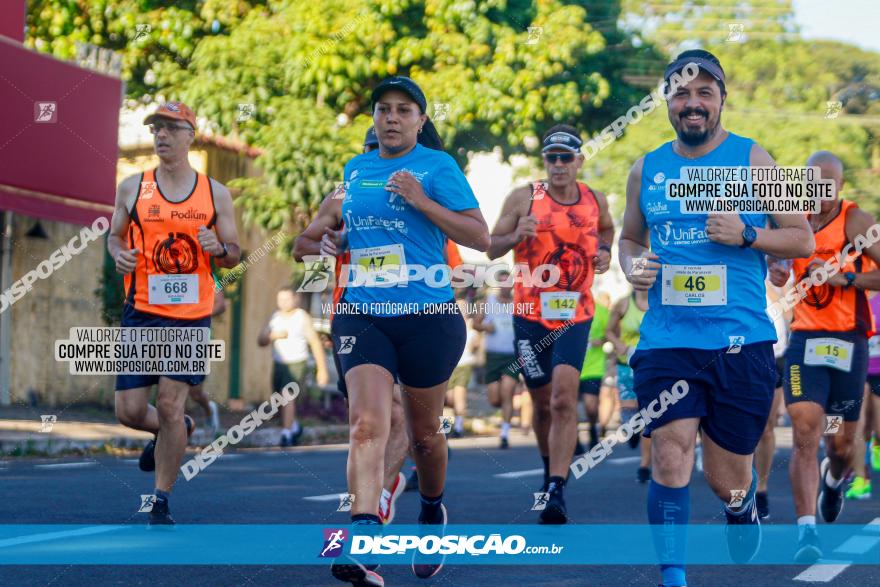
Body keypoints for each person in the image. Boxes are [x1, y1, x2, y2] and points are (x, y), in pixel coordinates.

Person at [619, 50, 814, 586]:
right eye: (682, 93)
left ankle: (741, 503)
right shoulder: (647, 168)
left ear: (722, 99)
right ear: (667, 102)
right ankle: (674, 576)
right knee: (669, 449)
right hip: (667, 339)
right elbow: (630, 237)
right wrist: (635, 267)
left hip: (741, 342)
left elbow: (802, 238)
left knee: (726, 475)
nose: (693, 103)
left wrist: (748, 235)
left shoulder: (755, 160)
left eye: (705, 92)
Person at [303, 76, 489, 585]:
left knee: (426, 438)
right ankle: (363, 542)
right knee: (366, 424)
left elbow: (480, 236)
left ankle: (432, 512)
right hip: (363, 313)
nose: (391, 118)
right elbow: (354, 231)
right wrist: (335, 240)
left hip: (428, 318)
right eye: (383, 109)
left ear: (420, 120)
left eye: (403, 110)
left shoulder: (437, 167)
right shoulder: (356, 169)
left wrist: (421, 200)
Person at [109, 101, 241, 525]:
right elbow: (114, 236)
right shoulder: (133, 187)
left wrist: (217, 248)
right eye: (155, 129)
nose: (161, 136)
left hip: (189, 314)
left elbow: (233, 255)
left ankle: (160, 498)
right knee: (129, 411)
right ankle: (178, 427)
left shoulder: (214, 193)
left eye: (170, 128)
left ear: (190, 135)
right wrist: (118, 255)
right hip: (141, 309)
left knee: (167, 403)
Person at [488, 124, 614, 524]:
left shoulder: (593, 200)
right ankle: (548, 472)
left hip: (576, 314)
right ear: (545, 161)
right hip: (530, 315)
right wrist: (514, 236)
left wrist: (607, 251)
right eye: (552, 157)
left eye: (566, 157)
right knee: (541, 401)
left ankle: (558, 487)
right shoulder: (525, 197)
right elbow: (489, 246)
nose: (559, 165)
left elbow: (608, 229)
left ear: (578, 160)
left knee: (563, 397)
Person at [769, 150, 880, 562]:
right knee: (804, 430)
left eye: (828, 186)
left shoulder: (856, 221)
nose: (819, 194)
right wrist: (777, 269)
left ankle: (835, 480)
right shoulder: (790, 217)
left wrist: (845, 276)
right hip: (805, 339)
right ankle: (806, 533)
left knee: (841, 444)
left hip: (849, 340)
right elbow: (776, 260)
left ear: (841, 187)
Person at [257, 288, 329, 446]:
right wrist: (271, 335)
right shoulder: (274, 317)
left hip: (297, 362)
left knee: (287, 395)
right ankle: (295, 428)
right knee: (279, 400)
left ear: (295, 299)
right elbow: (261, 341)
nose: (283, 303)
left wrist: (322, 370)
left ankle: (286, 433)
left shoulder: (302, 317)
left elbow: (315, 343)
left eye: (287, 299)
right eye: (280, 299)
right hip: (279, 364)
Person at [753, 268, 792, 518]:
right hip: (745, 354)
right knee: (744, 427)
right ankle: (741, 488)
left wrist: (777, 289)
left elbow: (791, 315)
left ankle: (761, 490)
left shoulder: (779, 275)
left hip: (776, 356)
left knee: (767, 427)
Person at [605, 289, 650, 482]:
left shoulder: (661, 300)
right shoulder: (623, 303)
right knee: (631, 415)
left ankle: (644, 467)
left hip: (651, 365)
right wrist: (618, 343)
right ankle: (632, 431)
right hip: (627, 365)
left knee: (648, 414)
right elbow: (608, 330)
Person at [473, 269, 520, 449]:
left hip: (512, 355)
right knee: (495, 399)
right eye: (501, 282)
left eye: (507, 282)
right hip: (493, 356)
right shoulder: (488, 301)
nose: (504, 286)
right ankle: (505, 414)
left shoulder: (518, 302)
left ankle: (505, 433)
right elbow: (476, 323)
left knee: (507, 391)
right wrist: (485, 327)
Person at [187, 282, 226, 433]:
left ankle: (209, 409)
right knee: (169, 389)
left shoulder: (208, 276)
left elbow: (221, 304)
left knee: (194, 392)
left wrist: (198, 315)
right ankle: (175, 430)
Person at [579, 289, 610, 451]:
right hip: (570, 364)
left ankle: (592, 427)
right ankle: (574, 438)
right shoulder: (566, 305)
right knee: (566, 403)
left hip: (593, 367)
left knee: (590, 406)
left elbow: (612, 332)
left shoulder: (602, 311)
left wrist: (602, 340)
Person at [447, 290, 480, 438]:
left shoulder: (471, 327)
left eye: (463, 309)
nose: (461, 311)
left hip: (464, 365)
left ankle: (458, 427)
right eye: (458, 308)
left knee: (459, 397)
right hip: (449, 366)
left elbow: (476, 346)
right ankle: (445, 429)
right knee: (448, 399)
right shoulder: (448, 325)